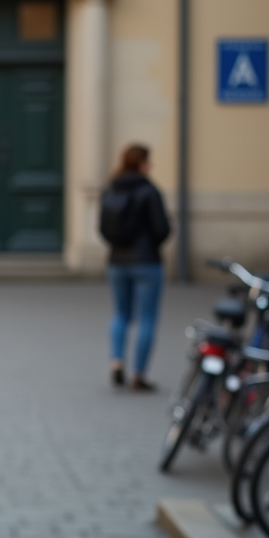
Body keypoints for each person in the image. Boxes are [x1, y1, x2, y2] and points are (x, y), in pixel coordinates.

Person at [100, 144, 171, 392]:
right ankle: (139, 375)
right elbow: (162, 229)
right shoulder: (149, 191)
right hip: (146, 262)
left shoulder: (111, 188)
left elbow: (103, 228)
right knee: (147, 319)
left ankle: (117, 361)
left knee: (121, 314)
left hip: (117, 261)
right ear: (141, 162)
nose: (151, 165)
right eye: (149, 160)